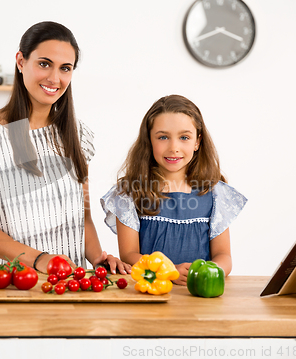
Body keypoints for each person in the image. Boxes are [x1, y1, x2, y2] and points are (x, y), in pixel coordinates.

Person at [0, 21, 130, 275]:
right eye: (44, 64)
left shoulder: (76, 135)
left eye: (65, 68)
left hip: (66, 284)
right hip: (5, 283)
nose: (54, 78)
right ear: (21, 61)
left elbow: (83, 218)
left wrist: (99, 259)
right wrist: (39, 259)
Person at [100, 95, 247, 285]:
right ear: (149, 140)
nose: (174, 147)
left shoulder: (216, 193)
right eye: (163, 137)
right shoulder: (129, 193)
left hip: (198, 295)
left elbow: (223, 255)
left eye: (184, 137)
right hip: (150, 292)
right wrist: (168, 271)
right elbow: (129, 254)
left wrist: (207, 273)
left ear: (197, 142)